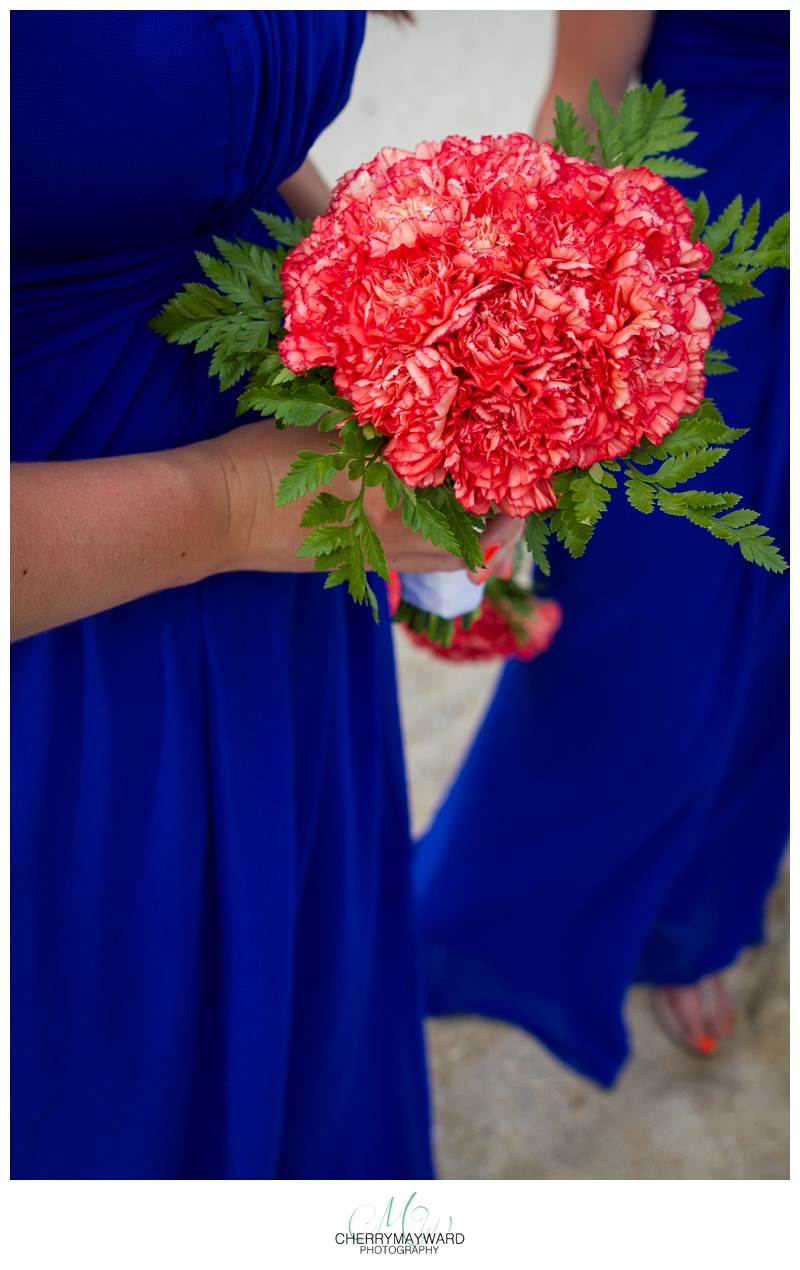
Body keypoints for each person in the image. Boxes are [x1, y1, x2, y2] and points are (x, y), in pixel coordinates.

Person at [11, 9, 519, 1180]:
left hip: (283, 524)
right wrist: (237, 509)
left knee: (294, 972)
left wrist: (405, 305)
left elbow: (191, 108)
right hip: (79, 602)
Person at [413, 9, 789, 1085]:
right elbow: (584, 102)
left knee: (772, 657)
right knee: (633, 640)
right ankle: (508, 915)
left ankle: (692, 915)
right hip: (694, 273)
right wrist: (524, 378)